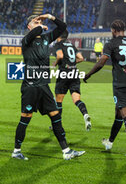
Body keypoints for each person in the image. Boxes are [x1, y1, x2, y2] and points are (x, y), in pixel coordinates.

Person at [12, 14, 85, 160]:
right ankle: (16, 151)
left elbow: (63, 27)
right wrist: (39, 27)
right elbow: (34, 32)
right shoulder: (26, 40)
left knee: (56, 115)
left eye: (40, 21)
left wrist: (50, 17)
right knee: (26, 117)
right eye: (35, 22)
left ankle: (66, 151)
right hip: (30, 86)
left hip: (44, 86)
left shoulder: (46, 38)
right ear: (29, 26)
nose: (39, 23)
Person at [84, 19, 126, 157]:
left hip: (120, 83)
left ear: (113, 30)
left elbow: (101, 62)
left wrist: (88, 75)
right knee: (118, 112)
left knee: (125, 112)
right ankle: (110, 142)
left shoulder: (111, 43)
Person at [52, 30, 91, 131]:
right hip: (74, 73)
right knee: (77, 100)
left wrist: (55, 63)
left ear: (58, 36)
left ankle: (57, 126)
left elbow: (60, 56)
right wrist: (72, 62)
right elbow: (81, 58)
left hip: (64, 73)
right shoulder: (71, 45)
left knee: (59, 101)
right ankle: (85, 114)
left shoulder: (58, 44)